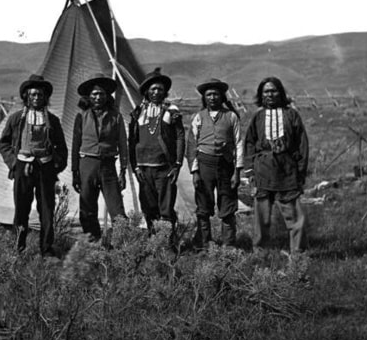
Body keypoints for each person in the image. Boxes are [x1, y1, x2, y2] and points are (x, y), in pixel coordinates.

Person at [0, 73, 68, 257]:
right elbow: (4, 143)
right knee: (21, 209)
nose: (37, 98)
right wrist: (14, 163)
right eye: (33, 95)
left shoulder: (52, 120)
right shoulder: (15, 119)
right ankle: (18, 248)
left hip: (45, 168)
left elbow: (61, 147)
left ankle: (46, 249)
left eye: (40, 95)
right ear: (26, 97)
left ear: (46, 97)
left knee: (46, 210)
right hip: (23, 167)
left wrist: (55, 166)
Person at [244, 76, 309, 255]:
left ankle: (297, 255)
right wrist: (250, 170)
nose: (270, 94)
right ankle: (259, 253)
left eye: (273, 91)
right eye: (266, 91)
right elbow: (249, 142)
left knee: (295, 217)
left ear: (280, 92)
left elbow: (302, 143)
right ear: (261, 95)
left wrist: (300, 171)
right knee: (261, 218)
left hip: (286, 170)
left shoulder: (291, 114)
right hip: (263, 170)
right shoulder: (258, 116)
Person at [186, 78, 244, 248]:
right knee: (203, 206)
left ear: (222, 96)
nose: (212, 98)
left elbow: (239, 142)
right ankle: (204, 244)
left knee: (227, 206)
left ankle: (228, 245)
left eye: (216, 94)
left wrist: (237, 171)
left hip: (226, 165)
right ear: (204, 97)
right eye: (209, 94)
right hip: (204, 165)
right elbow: (192, 145)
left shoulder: (231, 116)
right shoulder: (198, 117)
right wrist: (195, 172)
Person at [128, 67, 185, 236]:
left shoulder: (171, 112)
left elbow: (180, 137)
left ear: (165, 92)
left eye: (160, 89)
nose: (156, 92)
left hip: (164, 169)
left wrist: (177, 165)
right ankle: (154, 244)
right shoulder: (138, 113)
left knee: (166, 209)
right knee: (149, 209)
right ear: (146, 92)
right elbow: (131, 141)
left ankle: (167, 244)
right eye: (153, 89)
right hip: (144, 168)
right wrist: (135, 167)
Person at [72, 73, 128, 241]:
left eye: (102, 93)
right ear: (89, 96)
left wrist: (123, 171)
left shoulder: (116, 117)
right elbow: (75, 145)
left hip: (108, 166)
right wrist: (75, 171)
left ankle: (121, 246)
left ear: (107, 96)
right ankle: (93, 242)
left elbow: (123, 144)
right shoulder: (82, 116)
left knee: (116, 209)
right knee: (87, 208)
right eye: (94, 94)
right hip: (87, 164)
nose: (98, 97)